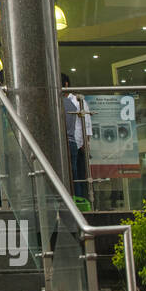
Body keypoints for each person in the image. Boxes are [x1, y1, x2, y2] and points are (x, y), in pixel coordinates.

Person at [62, 74, 92, 210]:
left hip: (78, 143)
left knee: (79, 175)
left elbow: (87, 124)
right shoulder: (58, 100)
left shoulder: (78, 100)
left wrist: (86, 144)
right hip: (67, 142)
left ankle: (82, 204)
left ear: (66, 84)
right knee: (71, 174)